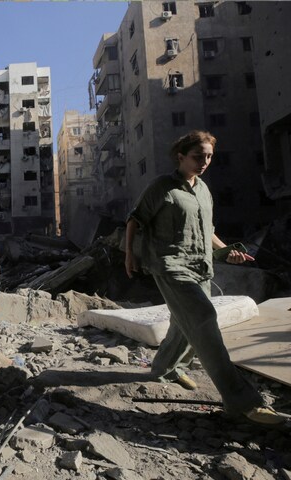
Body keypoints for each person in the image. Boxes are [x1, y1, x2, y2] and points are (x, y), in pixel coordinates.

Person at [125, 130, 284, 425]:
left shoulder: (203, 190)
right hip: (170, 266)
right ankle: (242, 401)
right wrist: (129, 255)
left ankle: (165, 368)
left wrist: (227, 252)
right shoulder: (162, 187)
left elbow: (207, 231)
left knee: (182, 323)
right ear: (181, 156)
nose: (205, 162)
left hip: (200, 266)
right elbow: (135, 219)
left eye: (209, 156)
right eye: (198, 156)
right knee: (204, 319)